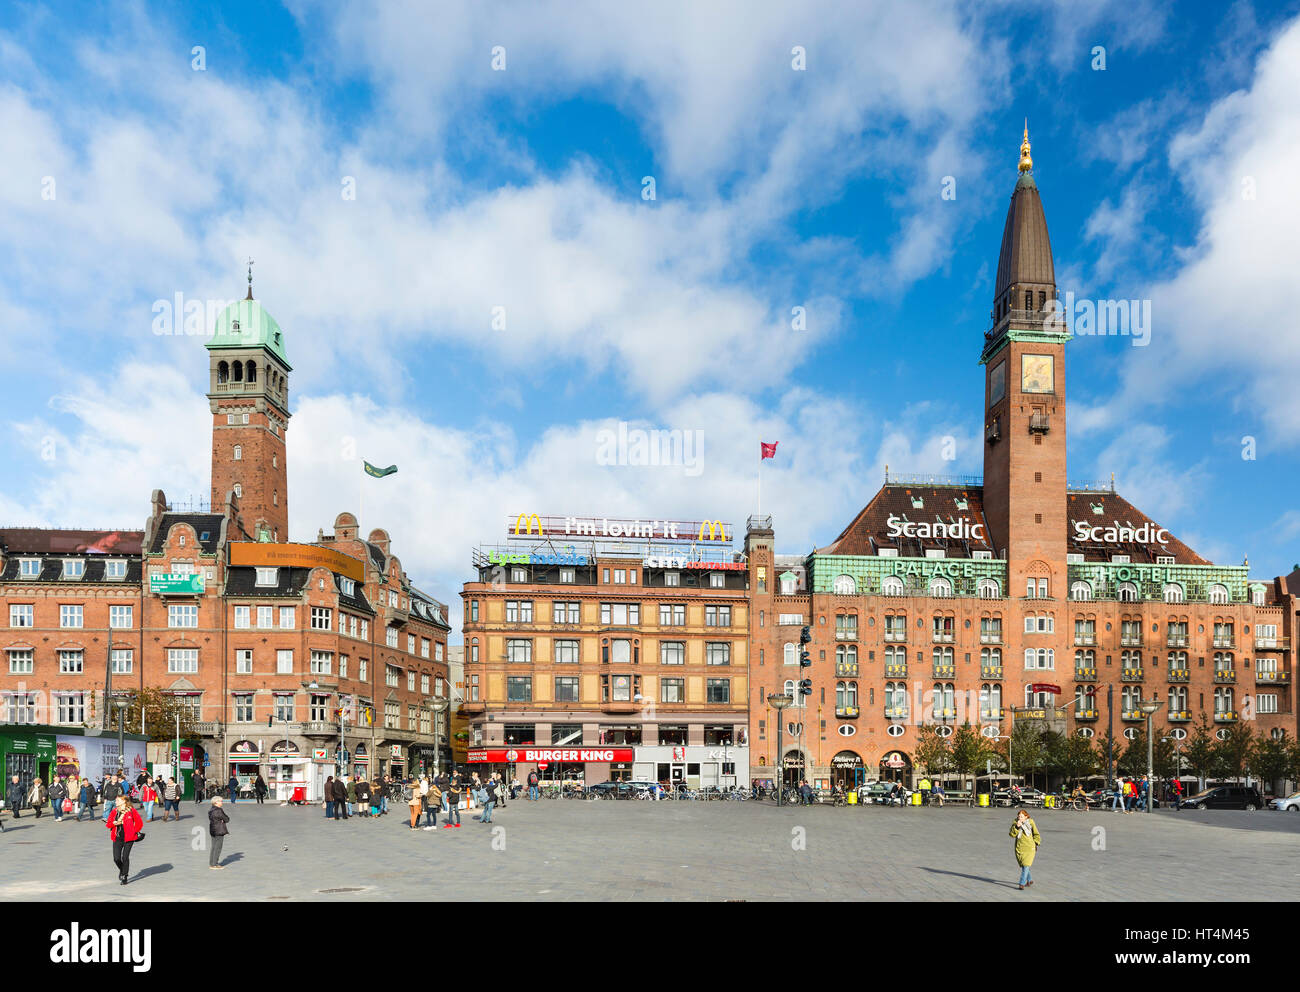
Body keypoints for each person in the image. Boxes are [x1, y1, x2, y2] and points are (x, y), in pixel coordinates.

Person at [106, 795, 144, 886]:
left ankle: (124, 876)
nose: (116, 802)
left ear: (124, 801)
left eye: (118, 800)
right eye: (116, 800)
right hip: (117, 837)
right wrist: (114, 823)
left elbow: (139, 823)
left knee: (125, 857)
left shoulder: (131, 811)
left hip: (129, 838)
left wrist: (133, 831)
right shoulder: (114, 811)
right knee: (116, 858)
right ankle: (122, 870)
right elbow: (108, 824)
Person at [1009, 808, 1041, 890]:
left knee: (1026, 865)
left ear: (1026, 817)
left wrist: (1036, 843)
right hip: (1020, 847)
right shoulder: (1015, 823)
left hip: (1030, 847)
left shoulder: (1031, 822)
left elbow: (1036, 833)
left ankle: (1021, 883)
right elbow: (1012, 834)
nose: (1020, 818)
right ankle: (1029, 880)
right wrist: (1017, 827)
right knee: (1024, 866)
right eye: (1019, 816)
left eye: (1022, 817)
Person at [208, 795, 230, 869]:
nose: (222, 802)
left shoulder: (211, 809)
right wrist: (223, 819)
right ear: (216, 802)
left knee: (213, 847)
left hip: (213, 830)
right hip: (219, 830)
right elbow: (226, 819)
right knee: (218, 847)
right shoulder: (219, 810)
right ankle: (215, 864)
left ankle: (211, 863)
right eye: (220, 801)